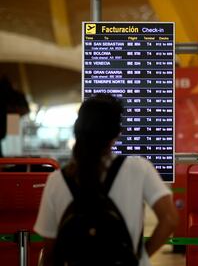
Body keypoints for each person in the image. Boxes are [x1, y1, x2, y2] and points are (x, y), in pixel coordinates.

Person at [34, 94, 178, 265]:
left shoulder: (57, 180)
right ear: (116, 132)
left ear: (77, 130)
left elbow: (50, 249)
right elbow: (170, 219)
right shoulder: (139, 168)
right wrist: (139, 257)